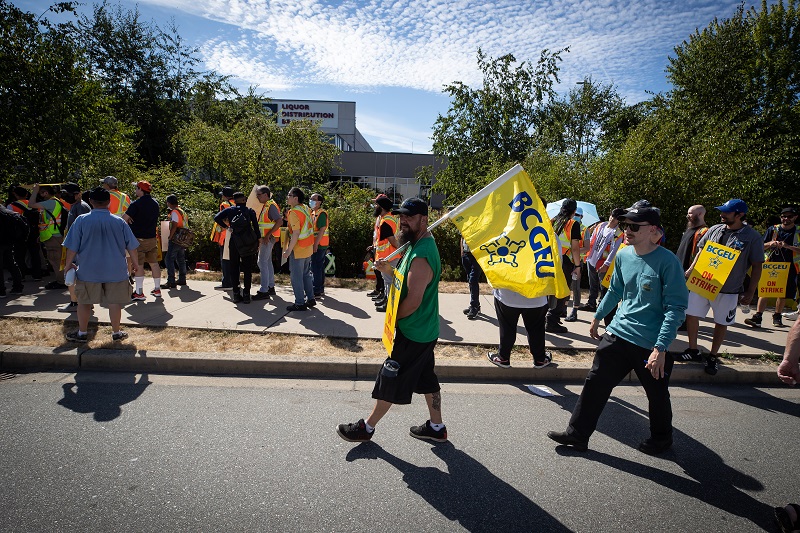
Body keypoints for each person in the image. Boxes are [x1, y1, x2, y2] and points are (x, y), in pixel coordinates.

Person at [547, 202, 688, 454]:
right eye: (626, 225)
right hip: (618, 334)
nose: (627, 230)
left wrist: (661, 348)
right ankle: (577, 435)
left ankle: (662, 439)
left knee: (657, 395)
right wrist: (597, 317)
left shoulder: (668, 262)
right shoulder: (623, 254)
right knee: (595, 384)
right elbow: (615, 290)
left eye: (634, 226)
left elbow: (676, 309)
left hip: (650, 344)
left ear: (652, 230)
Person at [337, 197, 446, 443]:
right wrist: (390, 272)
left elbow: (414, 300)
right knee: (427, 378)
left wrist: (393, 320)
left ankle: (367, 427)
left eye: (409, 217)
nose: (403, 221)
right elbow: (408, 283)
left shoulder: (421, 254)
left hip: (413, 330)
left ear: (424, 219)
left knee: (390, 376)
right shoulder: (416, 244)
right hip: (424, 329)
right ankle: (437, 427)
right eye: (401, 216)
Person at [681, 199, 763, 375]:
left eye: (726, 212)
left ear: (740, 215)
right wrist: (690, 270)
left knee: (721, 322)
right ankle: (693, 350)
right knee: (691, 315)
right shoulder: (715, 229)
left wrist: (750, 291)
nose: (722, 214)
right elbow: (702, 250)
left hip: (729, 289)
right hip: (703, 282)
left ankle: (712, 356)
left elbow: (757, 265)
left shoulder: (752, 237)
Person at [62, 187, 140, 342]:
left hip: (88, 270)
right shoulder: (119, 222)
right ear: (109, 202)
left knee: (84, 302)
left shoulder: (81, 220)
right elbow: (132, 246)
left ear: (90, 201)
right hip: (115, 270)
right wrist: (136, 265)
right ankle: (116, 333)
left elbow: (72, 246)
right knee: (114, 303)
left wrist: (68, 264)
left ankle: (82, 333)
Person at [745, 206, 798, 328]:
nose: (786, 219)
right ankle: (758, 316)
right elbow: (761, 246)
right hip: (771, 264)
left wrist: (788, 246)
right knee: (765, 289)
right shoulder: (773, 229)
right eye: (783, 216)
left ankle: (777, 316)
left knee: (782, 293)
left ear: (795, 217)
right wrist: (771, 244)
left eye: (789, 216)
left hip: (790, 267)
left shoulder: (798, 231)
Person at [486, 288, 551, 369]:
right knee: (536, 328)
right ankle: (540, 359)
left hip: (507, 295)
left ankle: (503, 357)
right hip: (537, 296)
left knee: (507, 326)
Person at [214, 192, 260, 304]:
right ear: (244, 200)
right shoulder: (250, 211)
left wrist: (227, 227)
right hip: (248, 242)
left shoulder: (229, 210)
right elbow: (256, 227)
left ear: (234, 201)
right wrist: (258, 240)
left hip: (234, 241)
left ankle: (236, 294)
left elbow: (216, 217)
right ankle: (246, 294)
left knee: (234, 267)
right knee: (247, 269)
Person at [578, 208, 625, 313]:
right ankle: (591, 304)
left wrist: (606, 264)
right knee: (592, 283)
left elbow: (614, 251)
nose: (612, 219)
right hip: (592, 258)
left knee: (603, 286)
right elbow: (592, 239)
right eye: (612, 216)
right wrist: (587, 254)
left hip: (603, 262)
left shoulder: (618, 233)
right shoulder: (601, 225)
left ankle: (601, 306)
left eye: (615, 218)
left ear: (619, 220)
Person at [545, 199, 581, 333]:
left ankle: (546, 318)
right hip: (565, 261)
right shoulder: (573, 224)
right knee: (562, 291)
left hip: (549, 259)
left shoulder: (553, 221)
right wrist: (578, 266)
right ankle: (552, 321)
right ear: (574, 211)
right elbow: (575, 248)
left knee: (550, 289)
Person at [123, 181, 161, 301]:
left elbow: (124, 219)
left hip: (137, 239)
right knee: (154, 264)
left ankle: (139, 292)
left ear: (141, 189)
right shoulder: (155, 204)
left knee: (138, 265)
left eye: (136, 188)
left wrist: (130, 220)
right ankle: (157, 289)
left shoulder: (136, 204)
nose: (135, 190)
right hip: (151, 238)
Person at [58, 183, 91, 312]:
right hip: (76, 246)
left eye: (69, 195)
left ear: (78, 194)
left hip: (78, 248)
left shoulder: (81, 207)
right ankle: (84, 301)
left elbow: (82, 230)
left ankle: (75, 302)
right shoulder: (76, 206)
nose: (66, 197)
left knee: (71, 273)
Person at [282, 187, 316, 312]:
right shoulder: (306, 208)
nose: (287, 197)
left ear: (295, 198)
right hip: (308, 246)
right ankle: (311, 299)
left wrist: (288, 250)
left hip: (298, 248)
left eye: (289, 195)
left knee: (296, 277)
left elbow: (295, 233)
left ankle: (300, 303)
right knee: (306, 274)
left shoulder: (294, 212)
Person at [28, 183, 68, 290]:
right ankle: (61, 280)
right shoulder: (56, 202)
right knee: (57, 259)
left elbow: (30, 204)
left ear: (45, 193)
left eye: (41, 192)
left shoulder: (51, 203)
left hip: (53, 236)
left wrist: (35, 191)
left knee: (56, 260)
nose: (40, 195)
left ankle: (61, 282)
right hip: (54, 235)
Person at [372, 194, 401, 313]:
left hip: (389, 257)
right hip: (391, 256)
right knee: (388, 281)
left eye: (376, 205)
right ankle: (388, 302)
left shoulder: (385, 222)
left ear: (381, 207)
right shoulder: (391, 218)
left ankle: (390, 306)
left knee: (389, 282)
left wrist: (401, 250)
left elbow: (393, 241)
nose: (375, 207)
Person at [7, 186, 42, 281]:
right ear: (27, 194)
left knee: (19, 255)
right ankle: (37, 275)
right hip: (34, 231)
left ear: (15, 194)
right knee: (34, 254)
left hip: (20, 233)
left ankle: (21, 275)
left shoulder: (11, 206)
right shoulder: (33, 204)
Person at [253, 186, 282, 300]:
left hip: (268, 238)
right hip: (268, 238)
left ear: (265, 194)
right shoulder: (267, 205)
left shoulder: (270, 206)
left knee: (262, 262)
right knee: (267, 262)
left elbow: (279, 221)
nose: (257, 197)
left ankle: (264, 290)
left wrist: (268, 235)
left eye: (259, 195)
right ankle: (270, 287)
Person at [211, 186, 236, 290]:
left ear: (225, 196)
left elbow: (223, 219)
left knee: (225, 259)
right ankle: (235, 282)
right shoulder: (236, 204)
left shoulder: (224, 205)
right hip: (235, 235)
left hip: (226, 235)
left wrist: (226, 227)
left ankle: (226, 283)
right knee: (233, 259)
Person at [162, 195, 189, 289]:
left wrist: (170, 236)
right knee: (181, 259)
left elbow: (174, 225)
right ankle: (182, 279)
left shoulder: (174, 212)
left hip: (176, 238)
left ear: (169, 203)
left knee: (169, 259)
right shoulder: (182, 211)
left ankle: (171, 281)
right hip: (183, 238)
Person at [565, 206, 586, 322]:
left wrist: (575, 249)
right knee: (566, 286)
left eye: (578, 215)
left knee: (576, 287)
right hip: (568, 261)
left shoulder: (584, 229)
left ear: (582, 217)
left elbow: (587, 247)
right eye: (575, 214)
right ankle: (563, 308)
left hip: (577, 262)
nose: (576, 217)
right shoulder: (568, 226)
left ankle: (574, 311)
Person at [0, 204, 24, 297]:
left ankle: (1, 291)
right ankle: (18, 287)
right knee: (12, 264)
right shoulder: (6, 212)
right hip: (9, 242)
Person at [675, 205, 708, 270]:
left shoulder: (704, 232)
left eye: (690, 213)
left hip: (689, 272)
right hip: (679, 269)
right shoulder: (689, 230)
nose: (687, 216)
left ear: (699, 214)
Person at [310, 192, 329, 298]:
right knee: (319, 267)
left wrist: (315, 244)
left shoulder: (321, 213)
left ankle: (316, 290)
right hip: (319, 243)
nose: (311, 201)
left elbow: (321, 230)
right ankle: (319, 289)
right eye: (311, 198)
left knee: (316, 267)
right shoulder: (314, 212)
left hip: (319, 244)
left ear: (319, 202)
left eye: (314, 199)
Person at [461, 235, 483, 319]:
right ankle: (475, 305)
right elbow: (462, 237)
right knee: (470, 280)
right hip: (466, 254)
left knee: (473, 280)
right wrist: (462, 252)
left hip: (476, 255)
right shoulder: (464, 223)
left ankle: (474, 307)